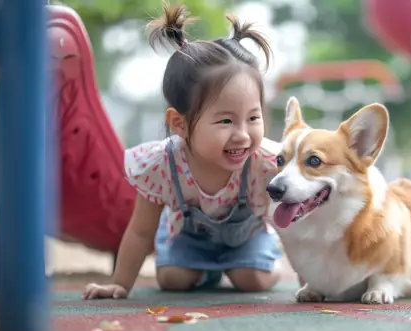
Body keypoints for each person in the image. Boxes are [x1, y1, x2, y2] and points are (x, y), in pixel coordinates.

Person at [83, 2, 282, 299]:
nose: (242, 134)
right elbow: (140, 231)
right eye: (226, 120)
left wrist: (311, 280)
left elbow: (302, 215)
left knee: (252, 278)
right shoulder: (162, 164)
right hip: (189, 238)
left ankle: (265, 261)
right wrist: (120, 283)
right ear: (180, 123)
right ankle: (205, 269)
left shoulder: (266, 162)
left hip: (247, 238)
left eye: (253, 117)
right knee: (172, 279)